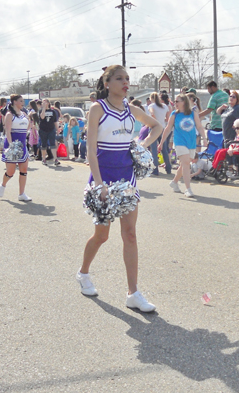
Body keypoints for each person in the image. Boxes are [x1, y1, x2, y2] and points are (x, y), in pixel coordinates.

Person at [76, 65, 162, 311]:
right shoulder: (97, 109)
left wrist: (141, 146)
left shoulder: (131, 110)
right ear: (107, 82)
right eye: (119, 79)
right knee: (102, 235)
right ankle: (83, 273)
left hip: (128, 179)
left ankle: (133, 293)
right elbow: (91, 150)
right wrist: (99, 183)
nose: (125, 82)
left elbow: (157, 126)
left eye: (127, 78)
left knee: (130, 234)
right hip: (104, 179)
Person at [160, 93, 206, 198]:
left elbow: (199, 126)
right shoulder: (174, 114)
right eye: (175, 101)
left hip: (191, 142)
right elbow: (167, 129)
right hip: (180, 142)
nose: (175, 103)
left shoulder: (192, 113)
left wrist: (204, 138)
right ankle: (188, 189)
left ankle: (175, 182)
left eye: (177, 101)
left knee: (184, 164)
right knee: (186, 164)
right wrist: (162, 142)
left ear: (184, 102)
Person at [0, 94, 33, 202]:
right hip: (12, 145)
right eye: (21, 101)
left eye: (23, 101)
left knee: (24, 169)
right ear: (14, 102)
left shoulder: (24, 114)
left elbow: (26, 129)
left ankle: (21, 194)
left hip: (22, 145)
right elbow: (8, 131)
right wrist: (11, 145)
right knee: (11, 172)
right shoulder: (9, 115)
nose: (23, 103)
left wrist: (31, 121)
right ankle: (3, 184)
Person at [146, 92, 169, 176]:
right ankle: (168, 167)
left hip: (154, 128)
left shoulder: (151, 106)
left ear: (151, 98)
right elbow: (167, 118)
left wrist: (155, 121)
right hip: (162, 128)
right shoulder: (165, 106)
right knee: (164, 149)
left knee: (154, 150)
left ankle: (155, 170)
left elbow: (152, 113)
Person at [38, 98, 59, 166]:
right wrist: (44, 108)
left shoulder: (53, 112)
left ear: (48, 103)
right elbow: (42, 117)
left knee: (52, 144)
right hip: (43, 130)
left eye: (46, 102)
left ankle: (55, 159)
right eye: (43, 102)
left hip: (51, 129)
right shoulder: (41, 111)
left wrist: (57, 129)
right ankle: (43, 159)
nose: (44, 103)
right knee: (44, 144)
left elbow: (55, 121)